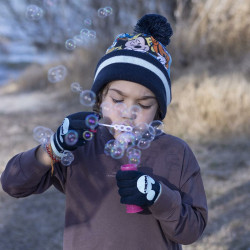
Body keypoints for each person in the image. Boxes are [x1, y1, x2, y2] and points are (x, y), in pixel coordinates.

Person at [1, 14, 208, 249]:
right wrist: (53, 148)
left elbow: (192, 230)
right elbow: (13, 184)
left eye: (144, 104)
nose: (128, 112)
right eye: (118, 99)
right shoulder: (80, 146)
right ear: (99, 99)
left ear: (158, 111)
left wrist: (157, 195)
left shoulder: (176, 153)